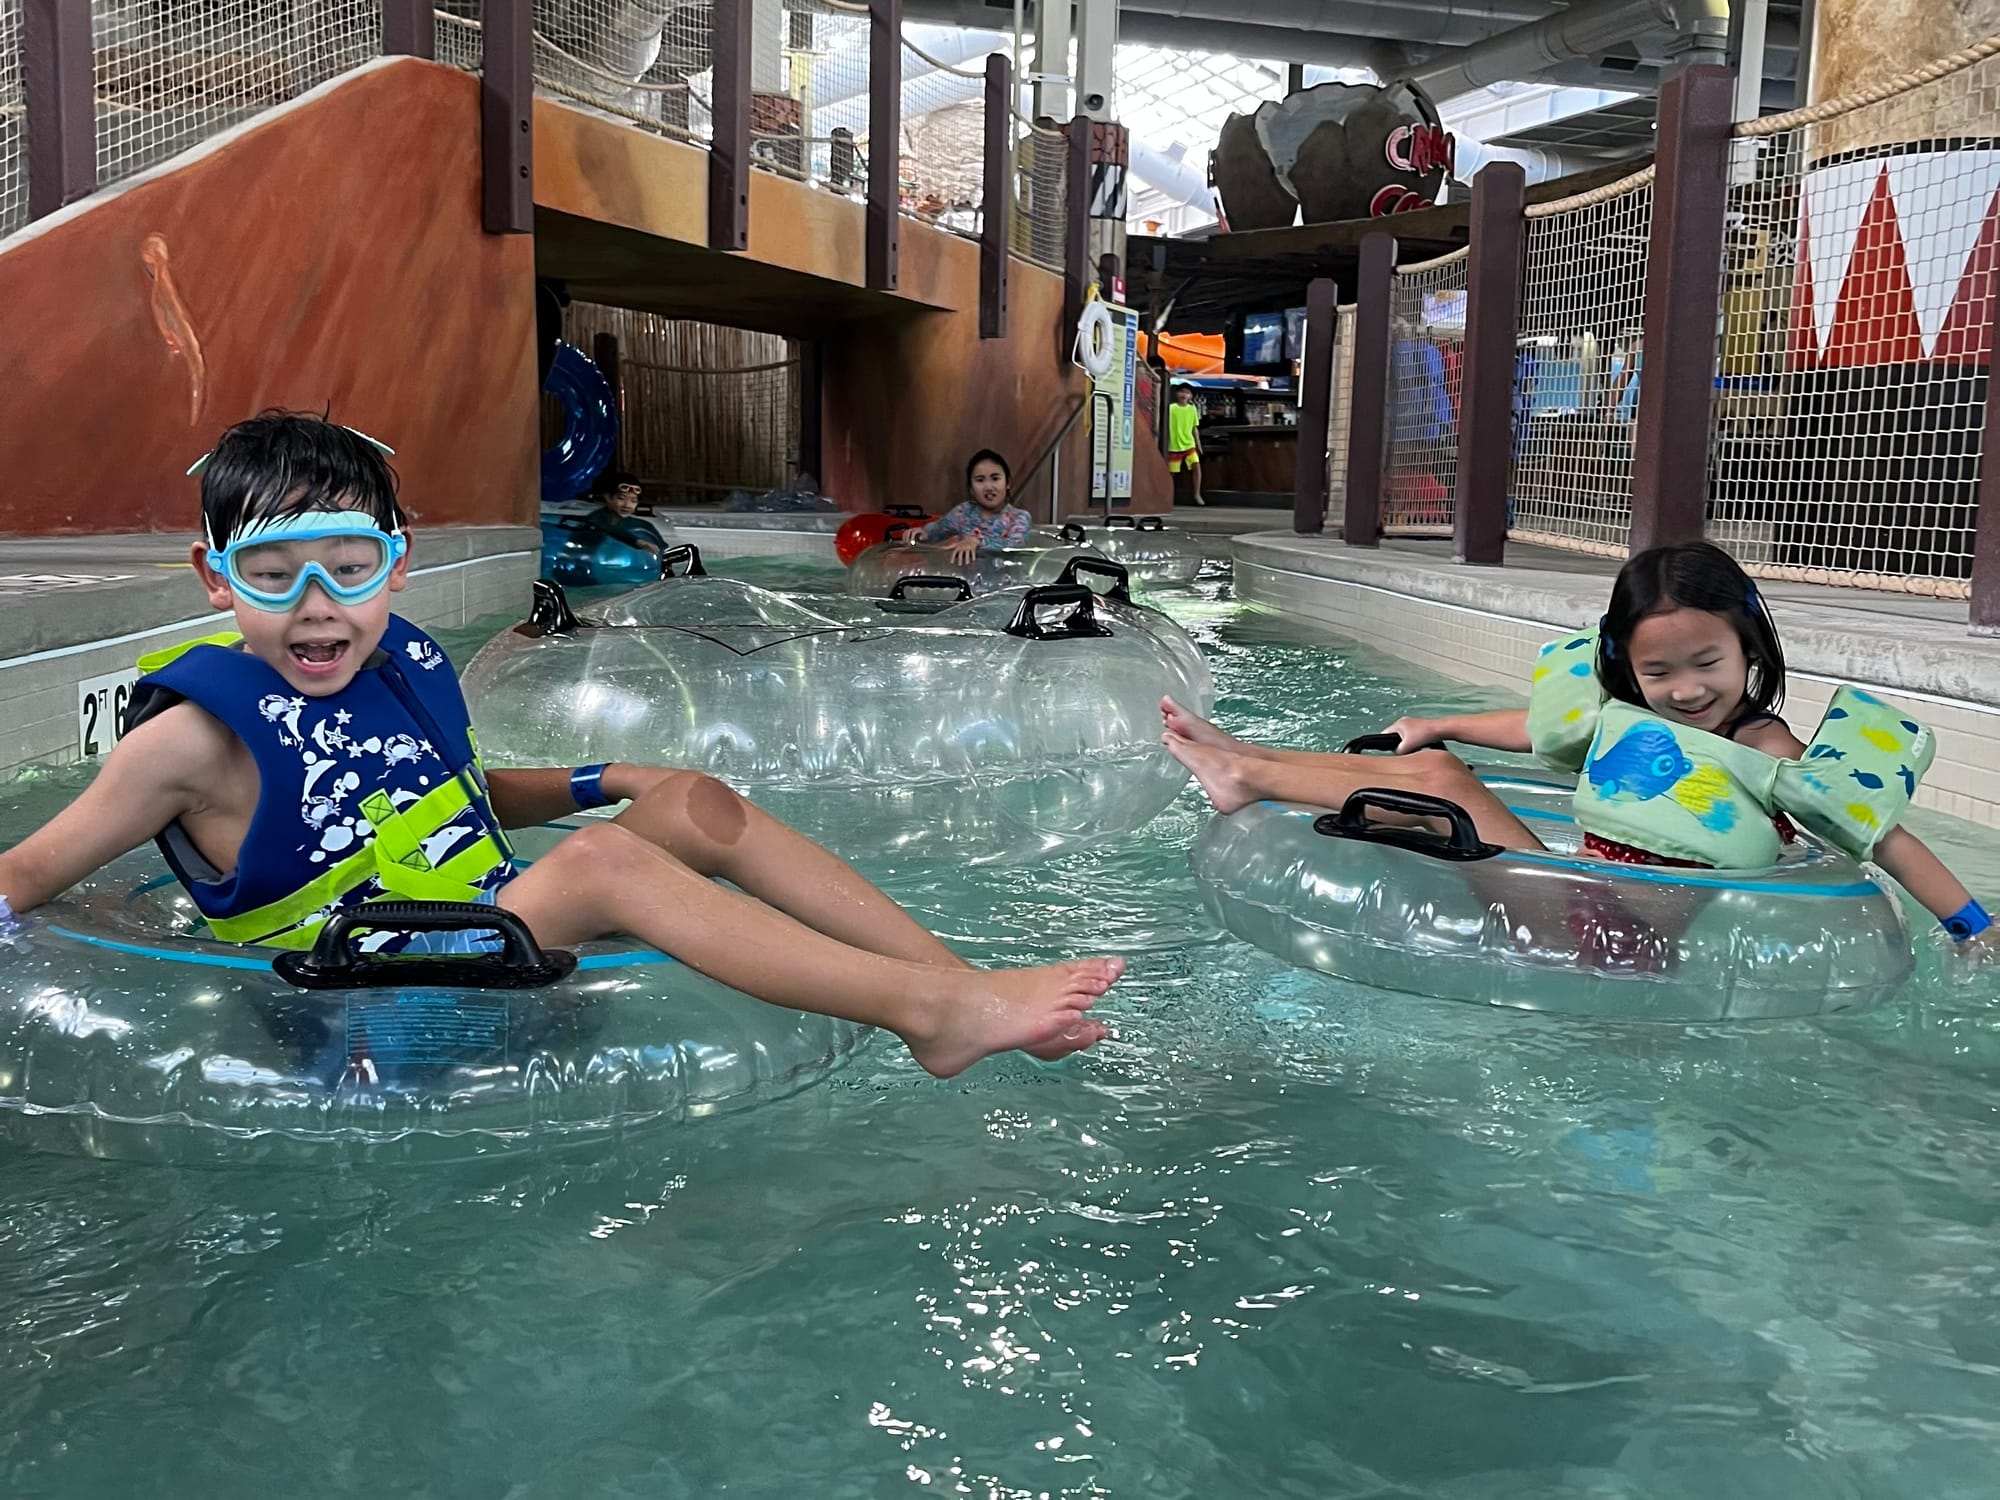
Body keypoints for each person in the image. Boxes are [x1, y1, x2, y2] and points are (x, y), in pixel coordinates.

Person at [0, 413, 1121, 1076]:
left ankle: (950, 982)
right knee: (603, 863)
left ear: (396, 563)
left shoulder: (395, 668)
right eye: (270, 576)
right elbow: (28, 872)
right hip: (366, 1012)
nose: (316, 609)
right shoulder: (190, 742)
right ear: (216, 581)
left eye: (346, 568)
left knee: (685, 801)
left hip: (476, 930)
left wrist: (607, 776)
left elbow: (443, 798)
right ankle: (928, 1015)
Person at [1162, 540, 1994, 955]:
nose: (1687, 689)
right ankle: (1246, 760)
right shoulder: (1635, 716)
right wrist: (1438, 722)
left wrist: (1972, 926)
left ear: (1749, 647)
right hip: (1582, 901)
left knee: (1445, 791)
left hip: (1622, 942)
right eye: (1658, 672)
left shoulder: (1763, 742)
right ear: (1628, 665)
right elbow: (1534, 729)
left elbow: (1877, 832)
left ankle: (1244, 772)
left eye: (1708, 663)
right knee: (1436, 770)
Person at [916, 450, 1032, 565]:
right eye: (980, 480)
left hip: (1007, 577)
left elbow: (1013, 547)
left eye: (995, 478)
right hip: (963, 577)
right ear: (971, 488)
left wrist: (976, 541)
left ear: (1008, 483)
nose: (988, 487)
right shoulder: (963, 512)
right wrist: (921, 533)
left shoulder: (1020, 517)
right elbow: (937, 530)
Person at [578, 471, 663, 556]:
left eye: (633, 501)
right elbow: (609, 528)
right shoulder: (595, 519)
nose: (627, 505)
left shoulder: (644, 526)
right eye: (621, 498)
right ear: (608, 497)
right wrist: (639, 542)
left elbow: (663, 549)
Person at [1166, 385, 1204, 506]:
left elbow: (1194, 428)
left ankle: (1197, 494)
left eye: (1187, 392)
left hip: (1189, 444)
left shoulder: (1192, 409)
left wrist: (1198, 444)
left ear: (1191, 396)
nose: (1184, 394)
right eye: (1181, 392)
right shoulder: (1170, 408)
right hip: (1173, 445)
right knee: (1171, 473)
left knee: (1196, 466)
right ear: (1176, 394)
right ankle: (1168, 496)